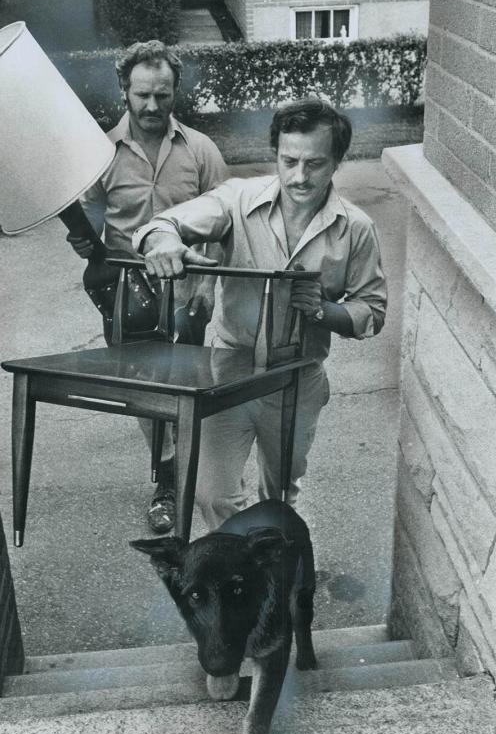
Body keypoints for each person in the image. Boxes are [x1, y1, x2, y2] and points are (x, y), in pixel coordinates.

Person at [134, 97, 387, 529]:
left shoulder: (355, 228)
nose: (299, 176)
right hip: (228, 372)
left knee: (281, 493)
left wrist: (323, 312)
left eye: (315, 163)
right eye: (289, 161)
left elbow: (373, 309)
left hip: (296, 379)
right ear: (275, 154)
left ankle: (273, 557)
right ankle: (243, 574)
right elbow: (165, 224)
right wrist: (162, 241)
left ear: (337, 162)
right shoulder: (237, 198)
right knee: (211, 494)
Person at [68, 39, 228, 533]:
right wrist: (82, 240)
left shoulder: (201, 149)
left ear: (176, 90)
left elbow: (227, 223)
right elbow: (90, 218)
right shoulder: (98, 153)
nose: (153, 106)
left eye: (163, 94)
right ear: (124, 90)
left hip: (187, 292)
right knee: (142, 391)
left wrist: (206, 285)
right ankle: (166, 477)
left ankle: (188, 473)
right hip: (125, 294)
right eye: (142, 95)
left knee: (183, 386)